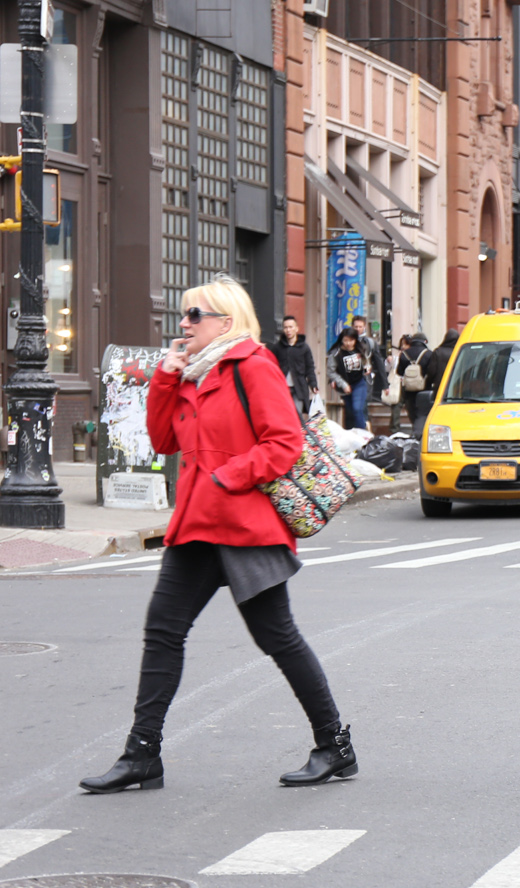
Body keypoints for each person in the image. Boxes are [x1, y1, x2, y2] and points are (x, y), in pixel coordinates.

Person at [80, 276, 356, 794]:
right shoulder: (190, 374)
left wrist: (229, 476)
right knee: (163, 632)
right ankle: (142, 755)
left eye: (193, 315)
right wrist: (164, 378)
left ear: (224, 322)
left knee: (278, 637)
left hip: (245, 526)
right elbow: (163, 440)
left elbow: (285, 443)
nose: (183, 325)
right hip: (195, 527)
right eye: (183, 316)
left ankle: (334, 746)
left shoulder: (253, 365)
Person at [268, 315, 318, 419]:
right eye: (285, 327)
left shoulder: (304, 347)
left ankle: (298, 434)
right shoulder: (277, 347)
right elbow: (271, 365)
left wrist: (313, 384)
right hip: (282, 387)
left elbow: (310, 367)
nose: (288, 330)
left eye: (291, 327)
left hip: (298, 387)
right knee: (282, 414)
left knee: (297, 414)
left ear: (296, 328)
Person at [328, 327, 369, 430]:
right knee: (350, 413)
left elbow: (366, 362)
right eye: (345, 340)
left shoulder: (360, 349)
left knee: (357, 408)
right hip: (345, 385)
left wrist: (367, 368)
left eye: (351, 340)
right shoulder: (336, 353)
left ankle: (363, 433)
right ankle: (354, 433)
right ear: (341, 339)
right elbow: (331, 371)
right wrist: (343, 384)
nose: (348, 343)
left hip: (359, 383)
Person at [394, 332, 432, 431]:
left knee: (412, 412)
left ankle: (415, 430)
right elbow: (432, 371)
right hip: (425, 389)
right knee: (422, 412)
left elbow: (399, 372)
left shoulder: (404, 354)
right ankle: (421, 432)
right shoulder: (428, 354)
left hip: (409, 390)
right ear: (425, 341)